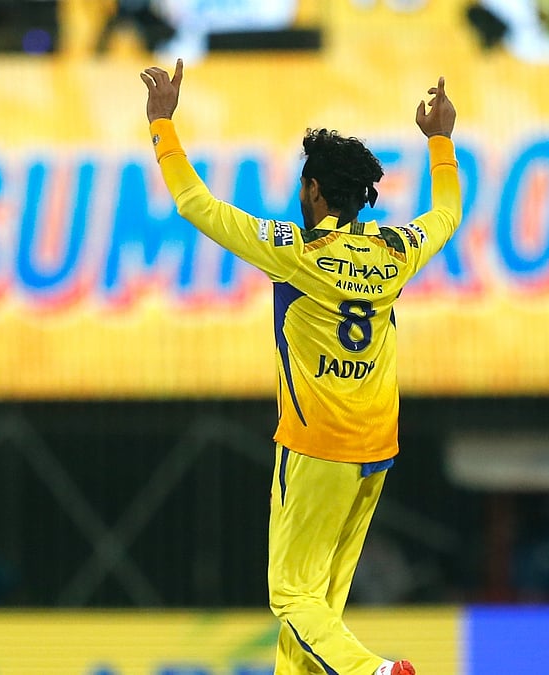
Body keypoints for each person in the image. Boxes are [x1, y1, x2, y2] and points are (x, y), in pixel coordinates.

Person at [139, 61, 459, 675]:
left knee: (291, 597)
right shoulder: (393, 250)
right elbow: (445, 216)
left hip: (315, 448)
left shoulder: (293, 250)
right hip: (377, 445)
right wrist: (440, 142)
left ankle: (374, 673)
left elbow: (193, 202)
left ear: (313, 191)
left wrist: (162, 124)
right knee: (321, 608)